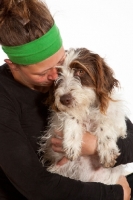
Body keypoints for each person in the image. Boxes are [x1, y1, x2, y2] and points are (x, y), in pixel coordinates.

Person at [0, 0, 133, 199]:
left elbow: (130, 140)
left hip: (101, 180)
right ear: (12, 66)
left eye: (60, 64)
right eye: (44, 73)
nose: (56, 79)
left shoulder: (69, 75)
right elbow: (35, 186)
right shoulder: (4, 99)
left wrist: (95, 146)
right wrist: (116, 194)